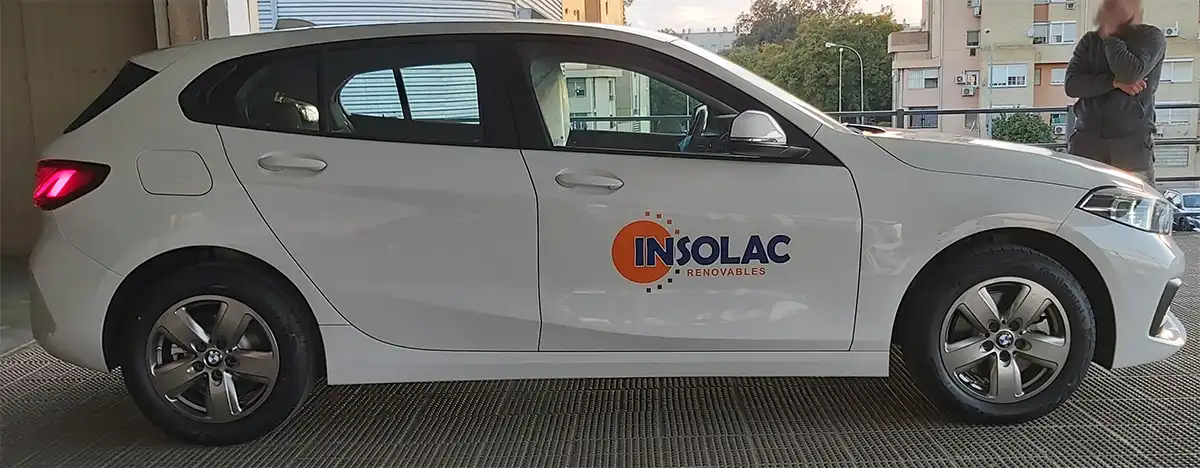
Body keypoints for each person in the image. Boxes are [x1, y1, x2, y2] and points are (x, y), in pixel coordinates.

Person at [1063, 0, 1165, 184]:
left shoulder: (1150, 37)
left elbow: (1129, 73)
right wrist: (1113, 82)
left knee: (1132, 201)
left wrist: (1110, 37)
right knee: (1082, 199)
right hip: (1087, 143)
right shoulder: (1090, 41)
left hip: (1130, 148)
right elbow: (1071, 85)